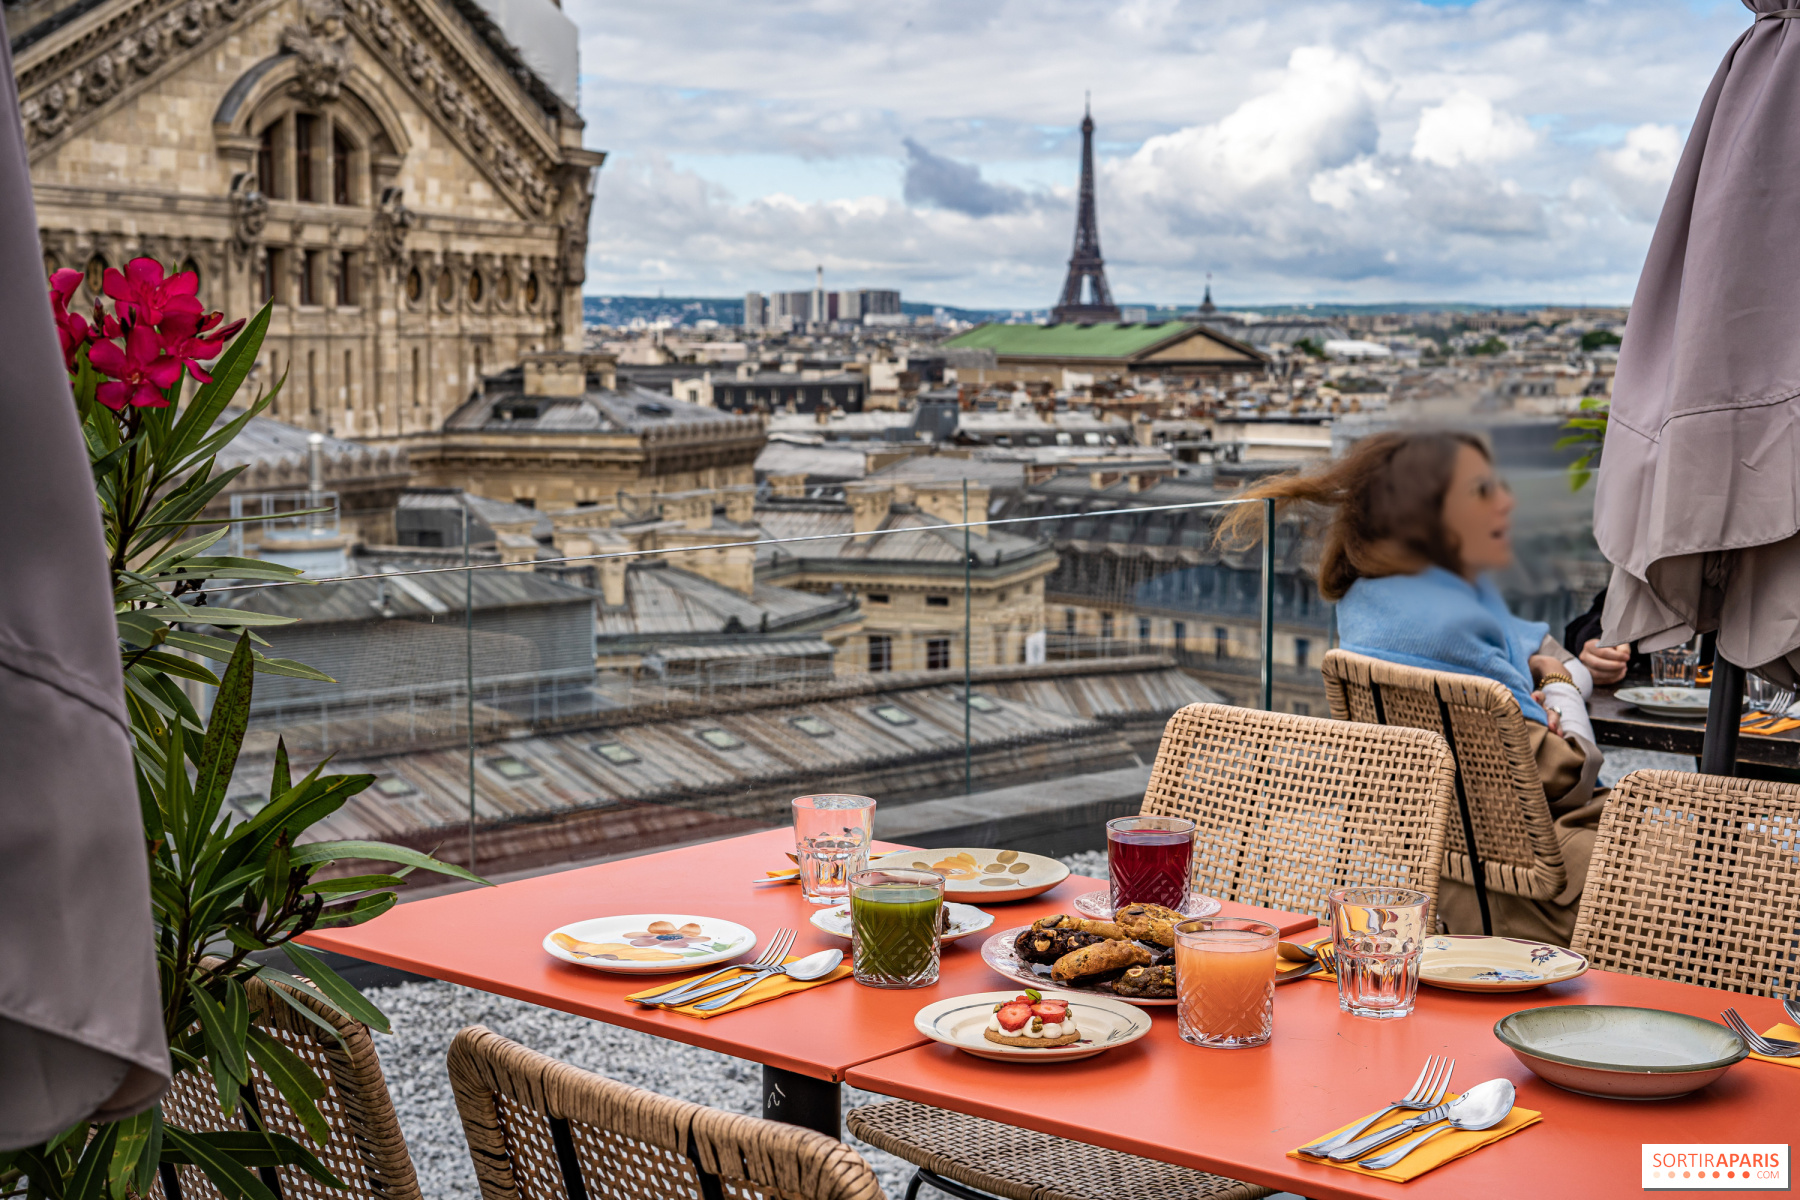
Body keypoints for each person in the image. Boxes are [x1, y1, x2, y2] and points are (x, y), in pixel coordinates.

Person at [1220, 430, 1603, 945]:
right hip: (1544, 885)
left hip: (1439, 874)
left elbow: (1518, 641)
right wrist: (1559, 684)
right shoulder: (1456, 622)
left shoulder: (1369, 601)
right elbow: (1568, 776)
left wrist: (1538, 671)